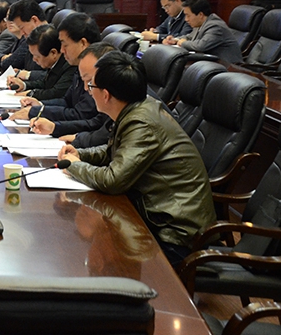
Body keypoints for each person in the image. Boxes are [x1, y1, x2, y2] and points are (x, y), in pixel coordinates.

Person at [58, 51, 216, 265]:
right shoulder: (137, 108)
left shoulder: (142, 123)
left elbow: (113, 180)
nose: (88, 90)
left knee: (107, 244)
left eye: (91, 86)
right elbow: (115, 152)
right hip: (155, 217)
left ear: (106, 95)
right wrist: (81, 154)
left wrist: (73, 166)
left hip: (174, 234)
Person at [11, 13, 106, 140]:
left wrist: (41, 114)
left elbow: (82, 115)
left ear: (83, 43)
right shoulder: (80, 66)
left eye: (65, 45)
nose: (61, 50)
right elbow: (67, 101)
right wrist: (40, 105)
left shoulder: (99, 69)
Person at [163, 0, 243, 64]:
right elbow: (189, 37)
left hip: (230, 68)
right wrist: (175, 40)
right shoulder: (200, 24)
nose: (186, 19)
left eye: (188, 15)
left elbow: (201, 46)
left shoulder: (215, 26)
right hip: (212, 64)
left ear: (200, 15)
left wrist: (183, 43)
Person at [7, 25, 74, 101]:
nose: (34, 59)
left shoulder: (70, 65)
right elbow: (45, 83)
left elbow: (55, 93)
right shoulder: (55, 63)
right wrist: (24, 85)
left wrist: (31, 93)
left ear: (53, 53)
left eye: (37, 56)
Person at [0, 0, 46, 73]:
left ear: (34, 20)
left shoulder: (49, 40)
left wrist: (27, 75)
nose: (22, 33)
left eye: (22, 27)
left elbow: (49, 76)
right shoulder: (31, 38)